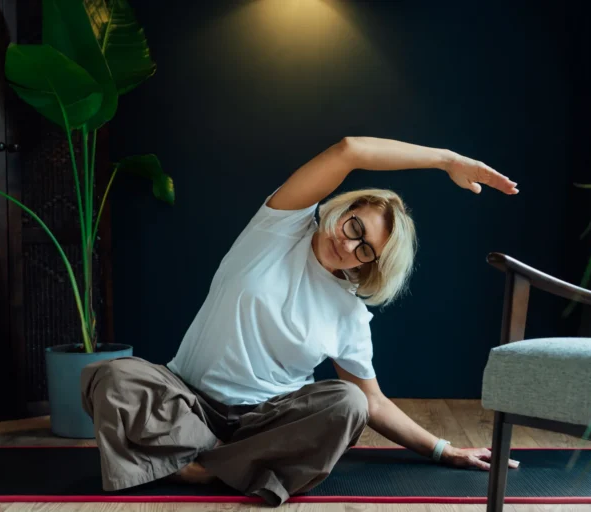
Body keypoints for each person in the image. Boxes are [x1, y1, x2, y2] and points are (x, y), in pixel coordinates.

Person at [81, 137, 521, 506]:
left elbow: (374, 403)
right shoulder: (279, 228)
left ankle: (191, 468)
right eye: (355, 228)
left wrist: (445, 451)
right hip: (186, 400)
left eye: (366, 250)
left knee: (348, 403)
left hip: (268, 422)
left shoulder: (348, 312)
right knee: (114, 377)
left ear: (373, 266)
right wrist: (448, 160)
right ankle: (228, 468)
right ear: (344, 210)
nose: (350, 247)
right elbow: (349, 150)